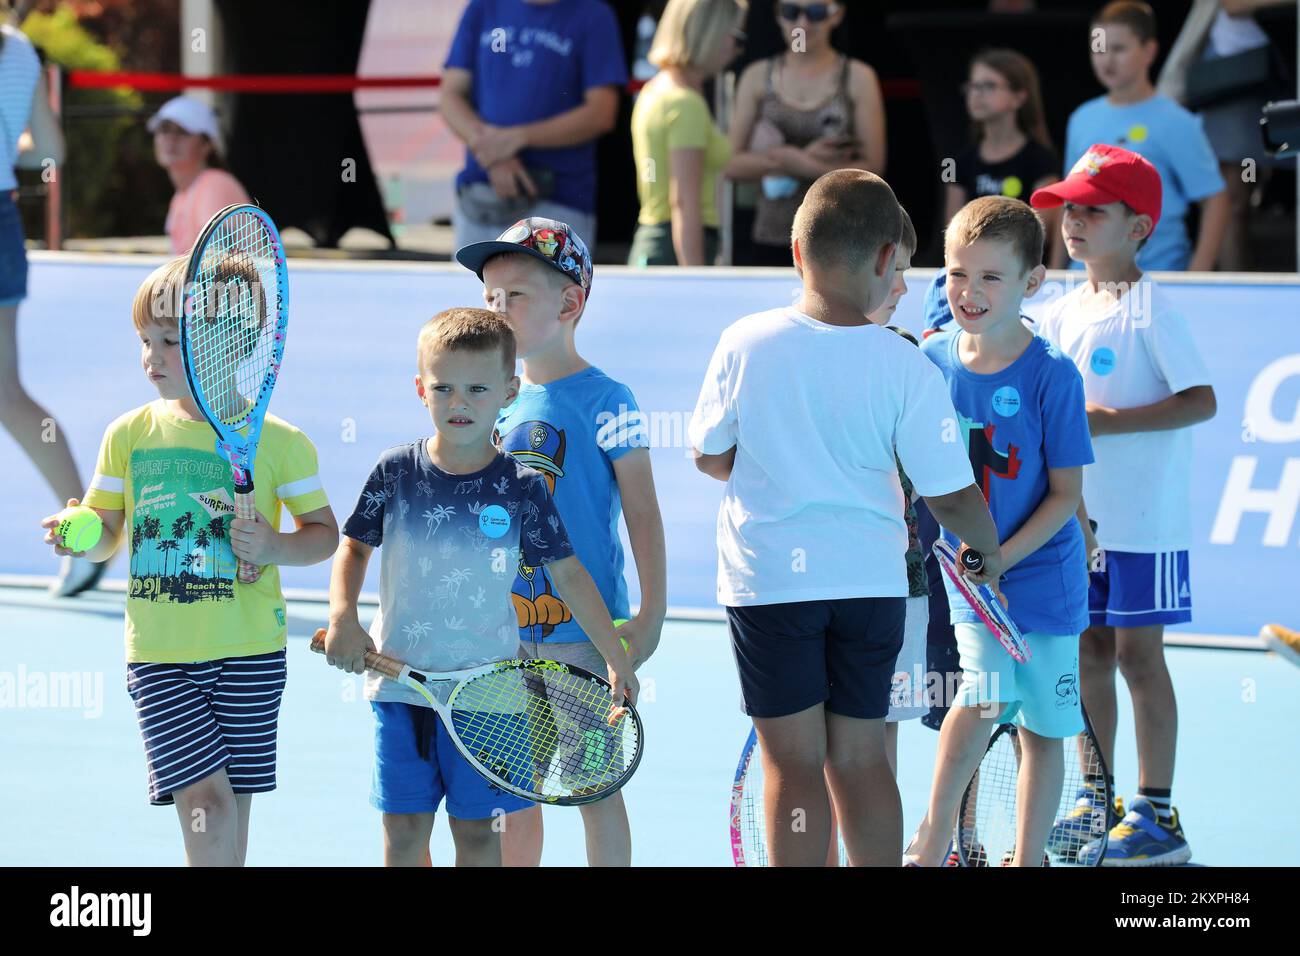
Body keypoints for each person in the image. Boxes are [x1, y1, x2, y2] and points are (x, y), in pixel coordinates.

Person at [689, 169, 1003, 866]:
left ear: (796, 249)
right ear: (889, 259)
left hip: (769, 584)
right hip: (871, 586)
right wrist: (987, 553)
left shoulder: (745, 341)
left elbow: (711, 457)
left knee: (792, 765)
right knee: (861, 760)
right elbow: (951, 495)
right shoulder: (906, 364)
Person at [40, 255, 337, 865]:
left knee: (236, 807)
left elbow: (323, 535)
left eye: (170, 341)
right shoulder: (127, 434)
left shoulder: (280, 441)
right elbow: (108, 536)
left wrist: (277, 547)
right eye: (144, 340)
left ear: (231, 340)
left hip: (251, 653)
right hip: (160, 655)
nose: (151, 356)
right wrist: (81, 534)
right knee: (208, 803)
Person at [323, 308, 638, 867]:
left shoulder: (521, 487)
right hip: (403, 693)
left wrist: (615, 658)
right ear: (421, 389)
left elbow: (567, 574)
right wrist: (344, 617)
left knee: (477, 839)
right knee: (403, 835)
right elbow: (353, 548)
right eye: (443, 387)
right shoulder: (395, 472)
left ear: (509, 392)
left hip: (491, 699)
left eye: (476, 387)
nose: (459, 402)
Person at [455, 217, 667, 867]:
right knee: (514, 792)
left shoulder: (609, 399)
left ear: (570, 303)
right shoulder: (488, 400)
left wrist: (649, 618)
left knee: (592, 787)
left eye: (514, 296)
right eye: (489, 297)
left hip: (586, 634)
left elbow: (642, 512)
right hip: (504, 636)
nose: (496, 310)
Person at [1031, 144, 1217, 865]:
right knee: (1089, 651)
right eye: (1069, 209)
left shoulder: (1153, 311)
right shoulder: (1058, 308)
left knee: (1141, 657)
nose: (1073, 221)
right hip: (1078, 522)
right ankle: (1096, 794)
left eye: (1092, 210)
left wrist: (1110, 423)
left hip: (1147, 522)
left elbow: (1201, 400)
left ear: (1139, 228)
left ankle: (1158, 813)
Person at [906, 196, 1095, 868]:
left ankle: (1029, 856)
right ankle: (930, 841)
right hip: (972, 582)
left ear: (1031, 284)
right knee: (982, 696)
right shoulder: (926, 362)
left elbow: (1066, 494)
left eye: (991, 277)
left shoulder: (1054, 376)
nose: (970, 291)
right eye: (958, 273)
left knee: (1044, 730)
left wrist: (1002, 555)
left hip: (1045, 575)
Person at [2, 20, 99, 597]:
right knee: (8, 393)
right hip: (4, 223)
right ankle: (84, 531)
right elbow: (49, 149)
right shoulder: (17, 49)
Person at [1054, 1, 1229, 271]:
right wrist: (1057, 270)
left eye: (1119, 49)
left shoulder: (1177, 121)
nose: (1106, 60)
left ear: (1149, 51)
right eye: (1098, 48)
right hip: (1085, 281)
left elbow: (1214, 198)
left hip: (1158, 275)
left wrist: (1198, 275)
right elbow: (1068, 201)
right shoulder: (1081, 118)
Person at [440, 0, 627, 249]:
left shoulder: (594, 14)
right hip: (481, 197)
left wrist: (517, 138)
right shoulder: (483, 6)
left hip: (558, 202)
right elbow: (450, 96)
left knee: (552, 289)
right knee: (477, 289)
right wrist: (493, 153)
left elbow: (601, 113)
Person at [724, 0, 886, 266]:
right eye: (791, 12)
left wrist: (802, 164)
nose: (803, 23)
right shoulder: (757, 76)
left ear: (837, 15)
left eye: (816, 13)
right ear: (777, 15)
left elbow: (873, 169)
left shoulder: (858, 77)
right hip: (772, 236)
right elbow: (730, 164)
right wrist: (799, 160)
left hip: (840, 238)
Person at [629, 0, 746, 266]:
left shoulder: (655, 90)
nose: (738, 49)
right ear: (709, 32)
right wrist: (694, 278)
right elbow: (683, 201)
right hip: (676, 249)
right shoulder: (685, 103)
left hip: (656, 243)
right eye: (735, 36)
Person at [945, 49, 1062, 265]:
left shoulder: (1042, 160)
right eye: (973, 86)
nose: (977, 94)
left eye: (989, 86)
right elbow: (952, 229)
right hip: (973, 269)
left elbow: (1043, 232)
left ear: (1019, 97)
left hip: (1021, 273)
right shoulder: (956, 162)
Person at [149, 96, 250, 255]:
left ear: (206, 144)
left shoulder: (214, 185)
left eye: (183, 131)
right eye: (164, 129)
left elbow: (219, 267)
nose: (171, 139)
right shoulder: (181, 196)